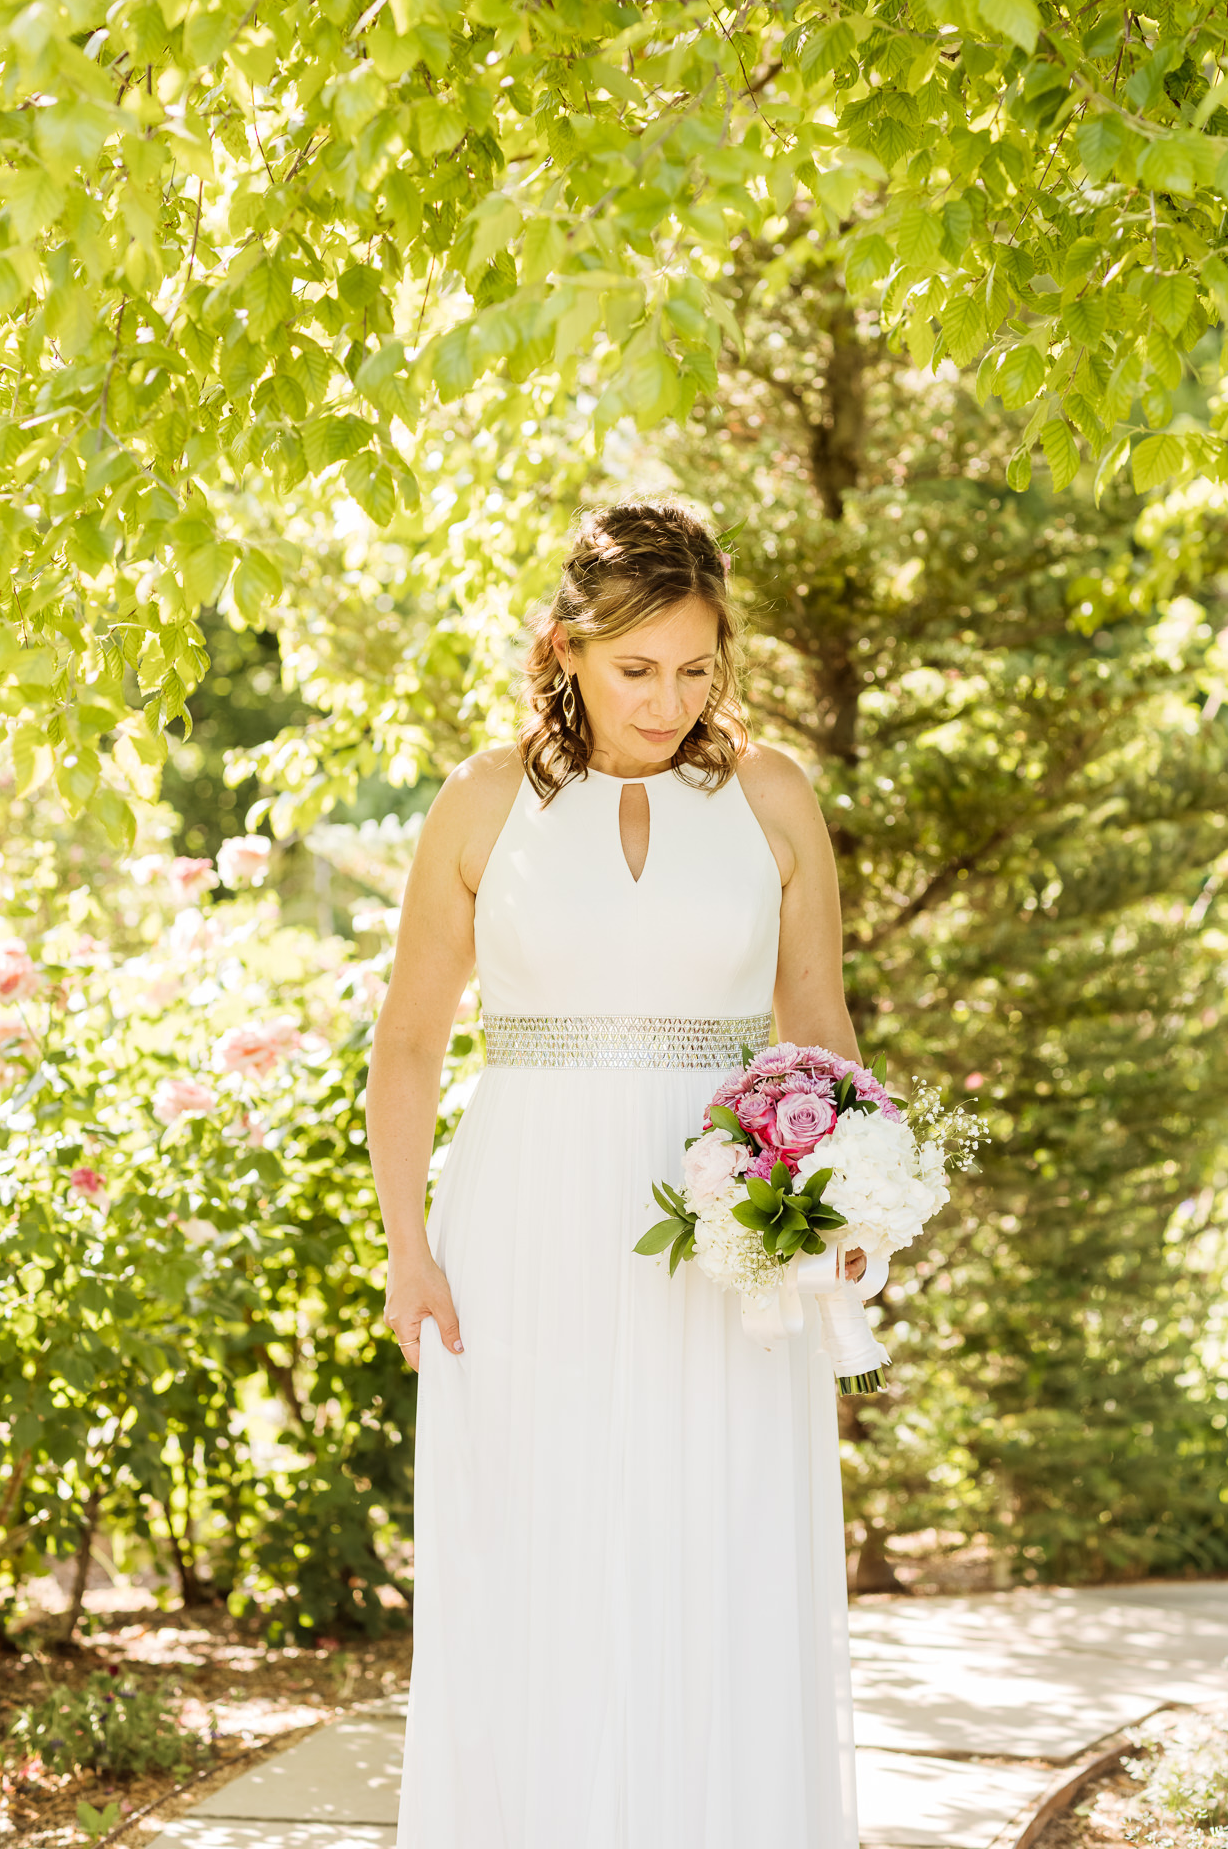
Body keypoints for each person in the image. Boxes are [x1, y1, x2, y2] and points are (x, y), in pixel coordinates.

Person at [367, 500, 862, 1849]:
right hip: (525, 1219)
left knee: (721, 1552)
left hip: (729, 1227)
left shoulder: (770, 796)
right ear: (566, 645)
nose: (669, 698)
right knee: (539, 1553)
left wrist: (848, 1202)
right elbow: (409, 1042)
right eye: (637, 667)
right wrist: (406, 1247)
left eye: (697, 667)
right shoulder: (484, 800)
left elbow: (815, 1024)